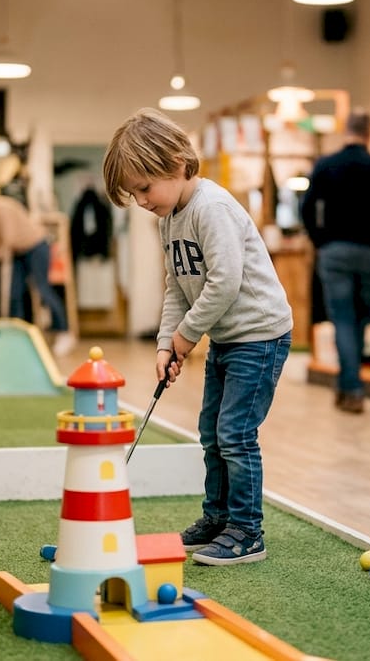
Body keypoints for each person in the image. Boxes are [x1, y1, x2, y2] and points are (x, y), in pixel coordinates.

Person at [102, 108, 293, 566]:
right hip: (228, 339)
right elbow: (178, 285)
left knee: (236, 433)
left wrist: (187, 336)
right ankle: (218, 518)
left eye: (145, 188)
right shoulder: (168, 219)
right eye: (134, 194)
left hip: (259, 336)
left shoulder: (213, 208)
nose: (142, 200)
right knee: (211, 431)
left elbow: (223, 284)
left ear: (176, 162)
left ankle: (247, 531)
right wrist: (167, 342)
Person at [299, 110, 370, 414]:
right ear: (368, 133)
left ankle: (351, 388)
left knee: (342, 317)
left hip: (334, 251)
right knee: (359, 318)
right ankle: (348, 387)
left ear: (346, 132)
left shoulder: (326, 165)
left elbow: (306, 208)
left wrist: (319, 240)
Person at [0, 185, 75, 357]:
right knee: (15, 294)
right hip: (18, 253)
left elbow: (8, 240)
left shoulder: (0, 207)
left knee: (43, 289)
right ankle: (17, 338)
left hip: (36, 246)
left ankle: (65, 333)